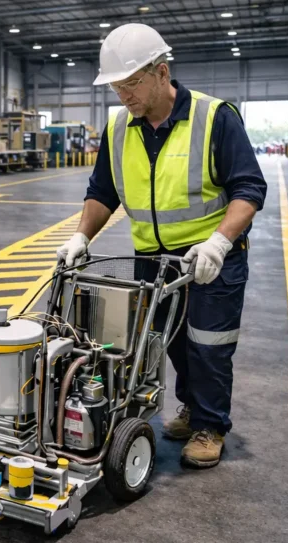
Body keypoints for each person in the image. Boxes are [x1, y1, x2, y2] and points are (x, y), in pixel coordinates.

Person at [57, 23, 267, 468]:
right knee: (167, 341)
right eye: (116, 86)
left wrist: (218, 243)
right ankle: (192, 408)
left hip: (209, 257)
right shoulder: (118, 128)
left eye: (131, 83)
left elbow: (249, 190)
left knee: (208, 343)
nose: (123, 95)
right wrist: (80, 235)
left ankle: (211, 425)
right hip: (153, 259)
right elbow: (103, 191)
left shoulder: (215, 118)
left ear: (162, 72)